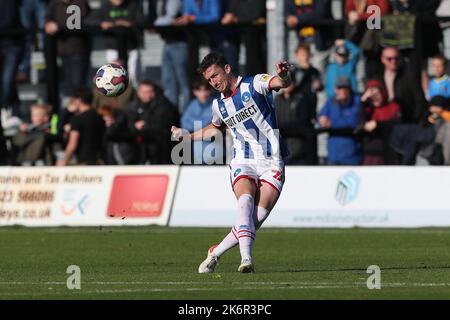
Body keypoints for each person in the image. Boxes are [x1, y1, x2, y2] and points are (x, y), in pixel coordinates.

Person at [171, 52, 292, 273]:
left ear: (227, 68)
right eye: (209, 80)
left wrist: (284, 75)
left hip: (272, 161)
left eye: (215, 76)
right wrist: (186, 136)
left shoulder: (255, 83)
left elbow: (280, 83)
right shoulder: (219, 105)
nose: (214, 82)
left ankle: (215, 253)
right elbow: (214, 128)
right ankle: (246, 259)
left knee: (254, 219)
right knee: (244, 202)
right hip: (243, 159)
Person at [45, 0, 91, 96]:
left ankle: (80, 108)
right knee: (69, 85)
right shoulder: (54, 3)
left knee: (78, 85)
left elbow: (78, 23)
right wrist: (49, 24)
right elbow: (48, 17)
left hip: (79, 50)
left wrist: (58, 27)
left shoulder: (80, 2)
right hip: (63, 50)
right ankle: (72, 108)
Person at [128, 80, 180, 164]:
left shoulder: (164, 105)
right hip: (140, 148)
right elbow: (130, 126)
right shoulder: (133, 105)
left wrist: (145, 126)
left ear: (154, 92)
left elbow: (162, 127)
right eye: (144, 92)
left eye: (149, 92)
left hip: (162, 150)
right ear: (138, 92)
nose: (147, 95)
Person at [154, 0, 191, 112]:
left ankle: (185, 115)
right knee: (168, 81)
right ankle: (172, 114)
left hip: (179, 43)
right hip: (167, 42)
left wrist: (155, 23)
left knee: (183, 82)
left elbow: (170, 18)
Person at [318, 77, 362, 165]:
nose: (342, 90)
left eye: (345, 87)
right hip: (333, 155)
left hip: (352, 156)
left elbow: (355, 121)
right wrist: (322, 121)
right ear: (335, 89)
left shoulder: (357, 101)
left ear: (350, 89)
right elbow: (320, 118)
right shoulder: (330, 102)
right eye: (339, 87)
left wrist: (332, 123)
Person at [56, 88, 106, 166]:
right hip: (100, 160)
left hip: (85, 161)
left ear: (78, 100)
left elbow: (72, 145)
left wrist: (64, 161)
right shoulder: (99, 117)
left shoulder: (77, 119)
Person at [359, 79, 402, 165]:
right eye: (372, 95)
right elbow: (361, 124)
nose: (375, 98)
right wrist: (362, 103)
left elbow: (397, 124)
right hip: (371, 154)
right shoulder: (368, 110)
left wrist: (378, 124)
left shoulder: (393, 106)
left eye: (377, 94)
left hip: (390, 153)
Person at [181, 78, 221, 164]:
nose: (203, 94)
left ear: (210, 90)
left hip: (216, 156)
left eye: (206, 90)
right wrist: (204, 126)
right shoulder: (192, 105)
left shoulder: (216, 103)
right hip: (197, 156)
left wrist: (197, 127)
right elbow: (184, 124)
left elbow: (214, 126)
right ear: (194, 92)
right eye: (199, 90)